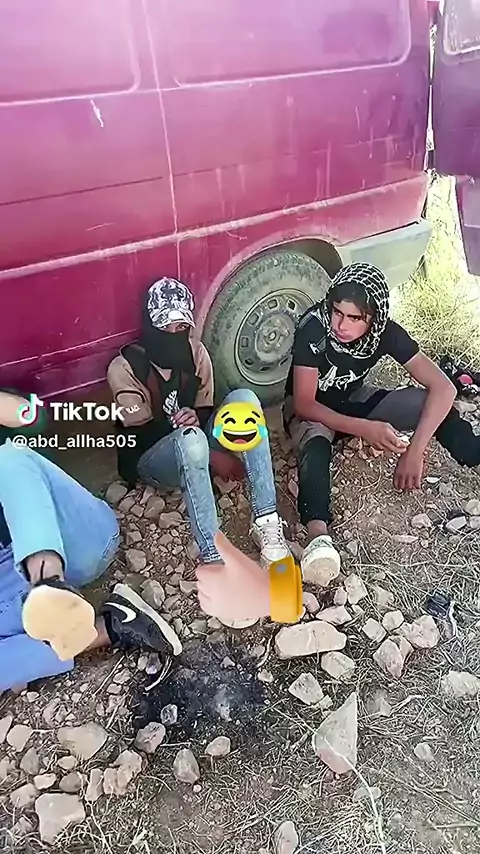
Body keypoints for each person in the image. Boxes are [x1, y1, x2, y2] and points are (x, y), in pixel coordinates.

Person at [282, 261, 480, 585]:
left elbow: (444, 387)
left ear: (373, 317)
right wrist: (365, 429)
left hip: (356, 399)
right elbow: (304, 403)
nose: (341, 325)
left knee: (429, 405)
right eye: (337, 312)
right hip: (314, 411)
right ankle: (318, 537)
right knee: (315, 446)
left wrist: (415, 451)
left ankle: (473, 453)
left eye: (355, 318)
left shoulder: (386, 332)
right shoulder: (313, 326)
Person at [106, 278, 290, 577]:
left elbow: (205, 408)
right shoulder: (125, 367)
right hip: (154, 459)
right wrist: (212, 455)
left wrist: (195, 416)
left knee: (245, 400)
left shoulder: (195, 353)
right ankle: (213, 556)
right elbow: (138, 433)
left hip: (196, 441)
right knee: (191, 441)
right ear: (150, 325)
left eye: (180, 326)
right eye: (164, 326)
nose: (173, 334)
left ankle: (267, 523)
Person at [0, 393, 181, 693]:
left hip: (76, 539)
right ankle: (112, 624)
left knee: (7, 458)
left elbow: (31, 417)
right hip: (13, 583)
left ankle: (49, 585)